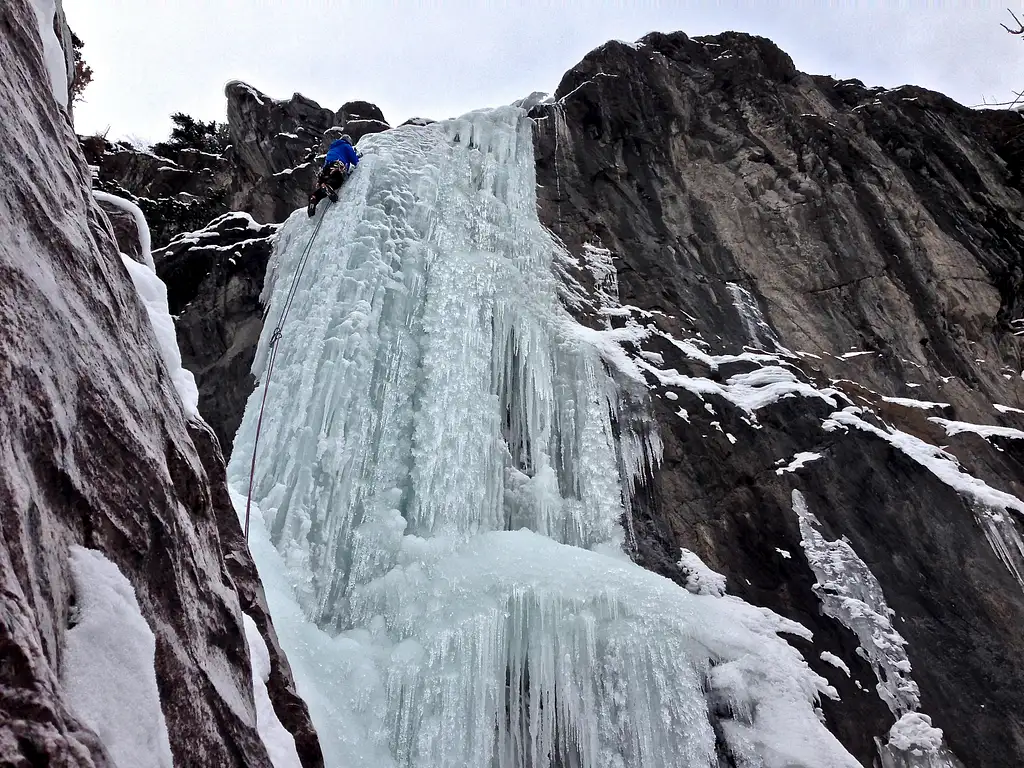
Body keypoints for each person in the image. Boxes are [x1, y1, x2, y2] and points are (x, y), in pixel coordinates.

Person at [307, 134, 359, 217]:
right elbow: (354, 160)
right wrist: (358, 158)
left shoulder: (332, 149)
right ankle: (327, 186)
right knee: (337, 180)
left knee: (325, 186)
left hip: (325, 169)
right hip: (336, 165)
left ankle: (314, 197)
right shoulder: (346, 146)